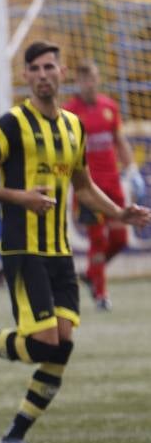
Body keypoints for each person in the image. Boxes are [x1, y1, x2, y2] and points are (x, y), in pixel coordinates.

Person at [0, 41, 151, 443]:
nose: (44, 74)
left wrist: (119, 212)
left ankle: (13, 438)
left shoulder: (72, 127)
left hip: (59, 252)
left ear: (61, 73)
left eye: (50, 67)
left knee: (61, 345)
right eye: (35, 69)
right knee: (44, 344)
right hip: (23, 247)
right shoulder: (11, 126)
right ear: (26, 77)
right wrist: (19, 197)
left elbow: (81, 186)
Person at [63, 60, 146, 310]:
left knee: (120, 238)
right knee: (97, 239)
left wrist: (132, 170)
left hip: (113, 183)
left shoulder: (109, 107)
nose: (90, 84)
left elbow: (119, 140)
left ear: (98, 80)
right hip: (87, 187)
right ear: (78, 82)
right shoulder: (70, 112)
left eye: (94, 78)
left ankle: (90, 274)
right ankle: (101, 294)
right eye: (85, 79)